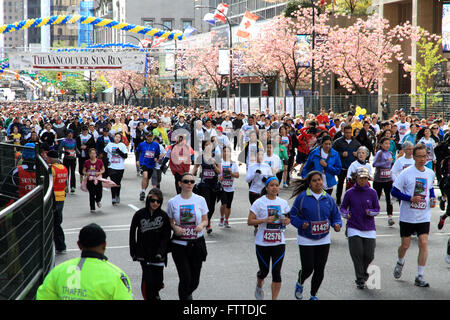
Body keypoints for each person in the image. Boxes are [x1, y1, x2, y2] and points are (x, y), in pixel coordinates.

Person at [36, 223, 133, 300]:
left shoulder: (58, 271)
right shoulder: (116, 275)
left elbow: (43, 296)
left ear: (79, 245)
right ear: (104, 245)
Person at [289, 171, 342, 300]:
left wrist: (336, 224)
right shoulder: (302, 198)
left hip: (323, 239)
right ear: (309, 183)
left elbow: (336, 215)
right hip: (306, 239)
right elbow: (292, 215)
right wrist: (301, 224)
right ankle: (300, 283)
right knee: (307, 268)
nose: (318, 182)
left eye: (319, 180)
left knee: (319, 269)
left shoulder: (328, 198)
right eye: (314, 180)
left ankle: (313, 294)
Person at [391, 144, 436, 287]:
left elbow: (430, 189)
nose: (422, 159)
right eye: (419, 156)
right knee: (405, 245)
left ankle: (420, 275)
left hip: (423, 215)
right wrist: (409, 198)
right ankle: (400, 261)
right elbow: (394, 191)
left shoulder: (430, 173)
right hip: (408, 216)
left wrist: (433, 198)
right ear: (414, 157)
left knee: (423, 243)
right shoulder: (406, 173)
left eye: (424, 156)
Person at [167, 173, 209, 300]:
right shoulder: (173, 202)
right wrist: (175, 228)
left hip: (197, 244)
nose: (189, 184)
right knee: (185, 277)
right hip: (180, 245)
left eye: (192, 181)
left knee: (195, 280)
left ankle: (187, 294)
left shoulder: (200, 200)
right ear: (180, 184)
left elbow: (205, 219)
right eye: (186, 181)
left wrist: (201, 225)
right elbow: (170, 222)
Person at [247, 177, 290, 300]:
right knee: (264, 272)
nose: (275, 187)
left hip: (279, 242)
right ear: (266, 188)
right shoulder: (259, 202)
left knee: (276, 273)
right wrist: (265, 220)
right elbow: (249, 221)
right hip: (263, 243)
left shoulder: (283, 203)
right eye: (272, 185)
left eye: (277, 185)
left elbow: (288, 218)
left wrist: (286, 221)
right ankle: (259, 285)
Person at [340, 167, 380, 289]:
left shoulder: (372, 192)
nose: (362, 181)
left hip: (369, 227)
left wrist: (370, 212)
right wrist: (346, 215)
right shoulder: (349, 193)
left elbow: (377, 209)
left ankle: (363, 273)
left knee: (369, 255)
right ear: (355, 178)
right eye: (360, 178)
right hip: (354, 226)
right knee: (357, 254)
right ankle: (360, 279)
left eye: (365, 178)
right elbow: (342, 208)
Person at [129, 188, 171, 300]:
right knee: (148, 281)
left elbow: (166, 236)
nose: (155, 203)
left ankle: (156, 292)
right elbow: (132, 233)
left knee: (157, 282)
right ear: (148, 200)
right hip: (144, 253)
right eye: (152, 200)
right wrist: (133, 252)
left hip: (159, 254)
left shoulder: (164, 216)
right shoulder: (139, 214)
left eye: (158, 201)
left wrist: (161, 252)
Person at [191, 140, 222, 234]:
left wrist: (213, 165)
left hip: (214, 185)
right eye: (207, 145)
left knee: (212, 206)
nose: (209, 146)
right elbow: (195, 167)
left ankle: (208, 221)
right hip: (204, 184)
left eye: (210, 145)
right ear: (204, 147)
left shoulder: (216, 157)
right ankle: (206, 223)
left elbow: (219, 171)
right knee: (207, 204)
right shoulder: (200, 157)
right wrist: (189, 177)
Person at [46, 150, 69, 254]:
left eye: (47, 157)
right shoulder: (63, 168)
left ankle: (55, 245)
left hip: (54, 197)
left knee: (52, 222)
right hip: (61, 197)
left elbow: (49, 184)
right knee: (58, 222)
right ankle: (61, 245)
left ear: (50, 159)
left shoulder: (52, 169)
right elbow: (65, 182)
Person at [333, 125, 361, 206]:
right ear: (343, 132)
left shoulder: (355, 142)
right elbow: (332, 152)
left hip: (352, 168)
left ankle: (348, 200)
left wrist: (357, 154)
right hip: (341, 167)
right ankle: (338, 200)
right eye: (346, 133)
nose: (348, 134)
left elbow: (362, 151)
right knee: (340, 183)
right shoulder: (338, 142)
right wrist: (341, 154)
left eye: (350, 133)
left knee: (350, 185)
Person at [104, 133, 128, 205]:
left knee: (118, 183)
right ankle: (113, 198)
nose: (117, 138)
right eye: (116, 137)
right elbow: (104, 153)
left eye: (119, 137)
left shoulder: (122, 145)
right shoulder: (109, 145)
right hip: (111, 166)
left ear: (120, 139)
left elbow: (125, 156)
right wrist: (106, 161)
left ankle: (117, 195)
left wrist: (118, 151)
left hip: (120, 167)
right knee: (113, 182)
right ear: (114, 137)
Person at [219, 146, 239, 228]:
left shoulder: (233, 163)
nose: (226, 153)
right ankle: (221, 218)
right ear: (222, 153)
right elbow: (217, 173)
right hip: (222, 187)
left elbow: (237, 175)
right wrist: (219, 178)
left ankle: (226, 220)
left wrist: (232, 173)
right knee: (223, 203)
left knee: (228, 205)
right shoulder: (220, 163)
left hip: (230, 187)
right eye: (224, 151)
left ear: (230, 153)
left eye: (228, 151)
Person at [136, 132, 161, 201]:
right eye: (149, 136)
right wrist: (137, 160)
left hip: (151, 164)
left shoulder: (156, 145)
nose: (150, 138)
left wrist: (156, 157)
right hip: (144, 162)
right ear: (146, 137)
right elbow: (137, 152)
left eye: (151, 136)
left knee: (147, 179)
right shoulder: (142, 144)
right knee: (145, 176)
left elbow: (158, 153)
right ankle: (143, 191)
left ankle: (143, 191)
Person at [82, 148, 105, 213]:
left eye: (94, 153)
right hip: (90, 180)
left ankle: (98, 200)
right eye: (91, 153)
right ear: (89, 154)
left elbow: (103, 169)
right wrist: (87, 173)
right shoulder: (87, 162)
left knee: (99, 193)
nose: (92, 155)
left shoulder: (99, 161)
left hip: (98, 180)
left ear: (96, 154)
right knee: (91, 194)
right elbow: (83, 171)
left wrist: (99, 173)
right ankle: (92, 208)